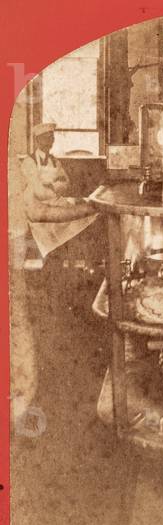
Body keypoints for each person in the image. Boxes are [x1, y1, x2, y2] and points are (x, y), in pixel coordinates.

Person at [11, 122, 98, 423]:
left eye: (53, 137)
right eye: (46, 137)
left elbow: (65, 183)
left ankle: (68, 265)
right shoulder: (28, 163)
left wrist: (54, 189)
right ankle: (56, 267)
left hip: (50, 203)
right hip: (34, 213)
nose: (51, 140)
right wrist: (51, 190)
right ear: (37, 138)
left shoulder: (54, 161)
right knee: (68, 218)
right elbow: (37, 194)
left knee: (83, 213)